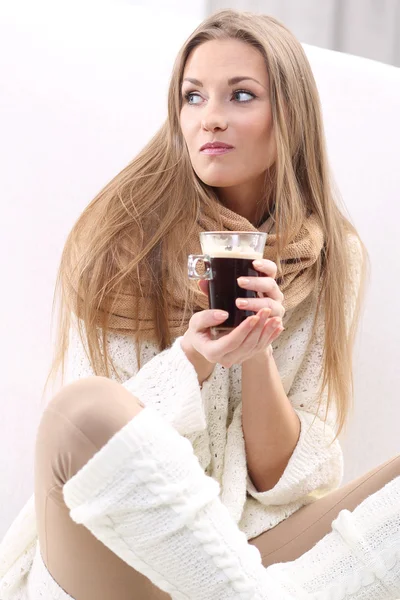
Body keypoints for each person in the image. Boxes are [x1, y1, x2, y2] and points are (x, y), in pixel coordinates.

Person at [1, 8, 399, 600]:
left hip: (240, 557)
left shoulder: (330, 255)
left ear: (287, 116)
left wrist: (256, 351)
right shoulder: (122, 239)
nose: (210, 117)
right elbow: (95, 452)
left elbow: (284, 481)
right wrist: (193, 359)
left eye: (241, 95)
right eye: (193, 97)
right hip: (111, 555)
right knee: (83, 410)